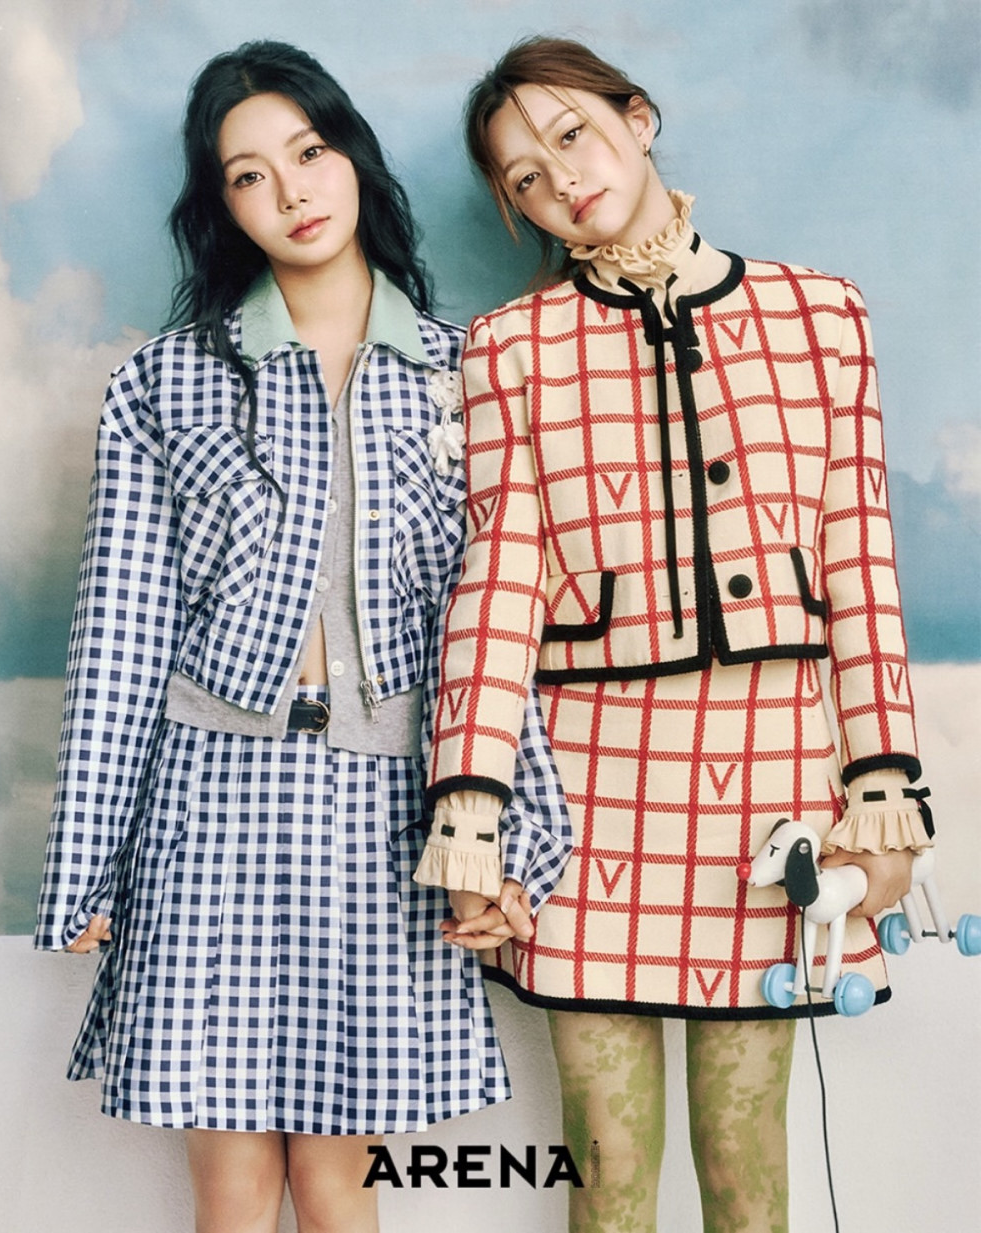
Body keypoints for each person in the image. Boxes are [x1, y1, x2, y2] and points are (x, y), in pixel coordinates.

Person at [34, 40, 569, 1233]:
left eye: (309, 151)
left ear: (354, 159)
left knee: (337, 1186)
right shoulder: (166, 383)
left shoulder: (471, 371)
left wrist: (518, 842)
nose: (290, 191)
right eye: (248, 175)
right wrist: (86, 864)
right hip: (211, 800)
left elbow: (495, 630)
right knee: (231, 1193)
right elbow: (120, 633)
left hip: (389, 814)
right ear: (220, 207)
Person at [414, 36, 934, 1232]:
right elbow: (496, 584)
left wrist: (882, 786)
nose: (559, 179)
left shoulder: (822, 316)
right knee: (606, 1173)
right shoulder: (510, 348)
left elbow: (858, 557)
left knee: (747, 1163)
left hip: (766, 792)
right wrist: (470, 803)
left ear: (637, 119)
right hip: (588, 791)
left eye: (571, 135)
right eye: (524, 176)